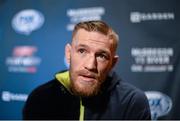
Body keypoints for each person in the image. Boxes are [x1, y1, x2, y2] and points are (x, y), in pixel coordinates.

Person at [23, 20, 151, 120]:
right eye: (82, 51)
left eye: (101, 56)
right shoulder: (40, 97)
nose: (90, 65)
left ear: (113, 63)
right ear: (68, 53)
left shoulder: (132, 102)